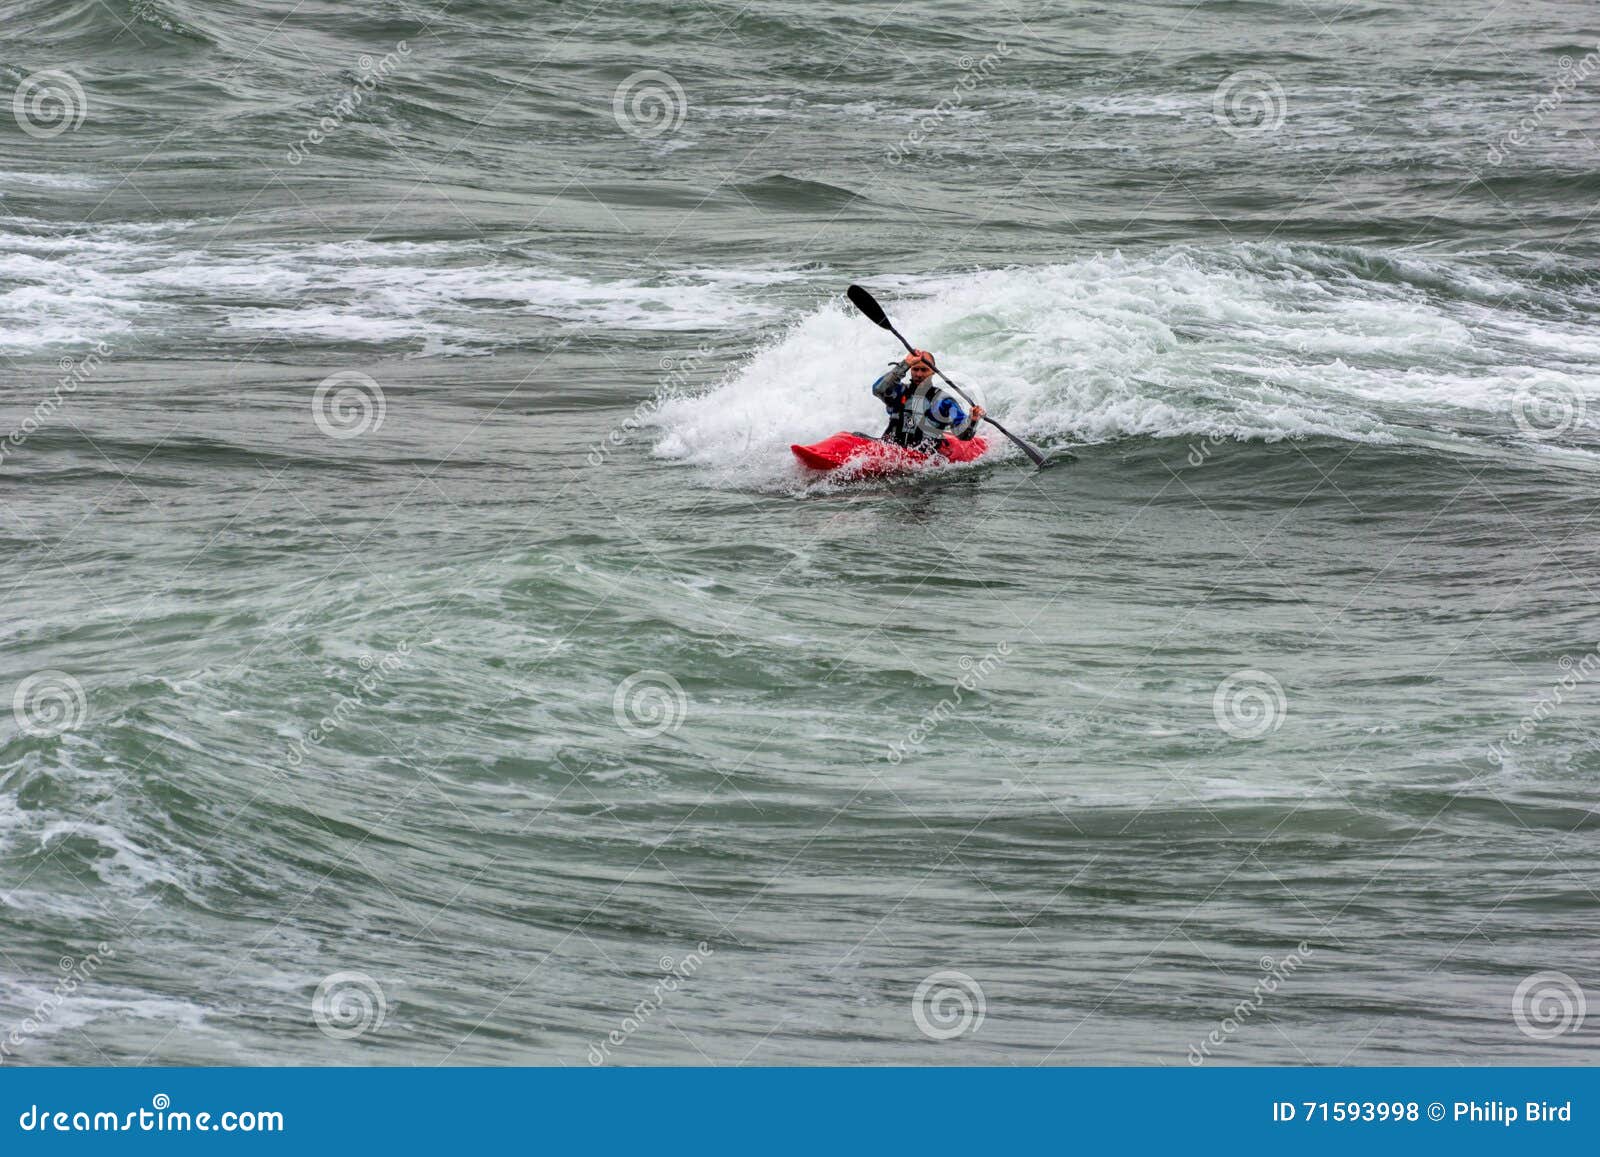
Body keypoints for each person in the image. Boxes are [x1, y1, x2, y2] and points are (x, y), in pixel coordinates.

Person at [870, 349, 985, 451]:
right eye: (915, 369)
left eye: (924, 370)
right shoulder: (899, 392)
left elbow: (964, 435)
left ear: (933, 371)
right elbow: (878, 389)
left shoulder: (944, 401)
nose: (919, 374)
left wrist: (972, 420)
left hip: (924, 459)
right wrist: (905, 364)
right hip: (889, 450)